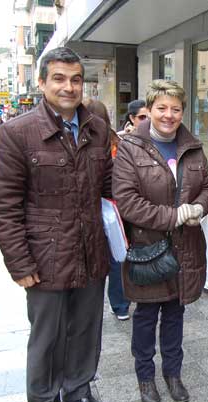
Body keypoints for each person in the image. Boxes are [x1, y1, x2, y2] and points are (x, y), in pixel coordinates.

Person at [0, 47, 112, 402]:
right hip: (45, 258)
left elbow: (109, 188)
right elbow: (4, 207)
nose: (69, 87)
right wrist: (19, 263)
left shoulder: (97, 128)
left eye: (76, 79)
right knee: (48, 338)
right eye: (59, 78)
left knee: (86, 330)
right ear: (41, 82)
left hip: (91, 250)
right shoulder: (16, 133)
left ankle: (78, 391)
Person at [113, 79, 208, 402]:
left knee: (175, 314)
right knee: (145, 317)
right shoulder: (130, 148)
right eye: (162, 108)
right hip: (148, 249)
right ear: (149, 111)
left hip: (185, 249)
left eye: (176, 109)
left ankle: (173, 374)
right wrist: (174, 216)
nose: (169, 115)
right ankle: (145, 376)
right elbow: (127, 201)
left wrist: (199, 207)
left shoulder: (193, 147)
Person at [83, 98, 130, 320]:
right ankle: (120, 305)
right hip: (115, 209)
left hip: (100, 208)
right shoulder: (116, 141)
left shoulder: (89, 141)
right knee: (116, 256)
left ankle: (98, 305)